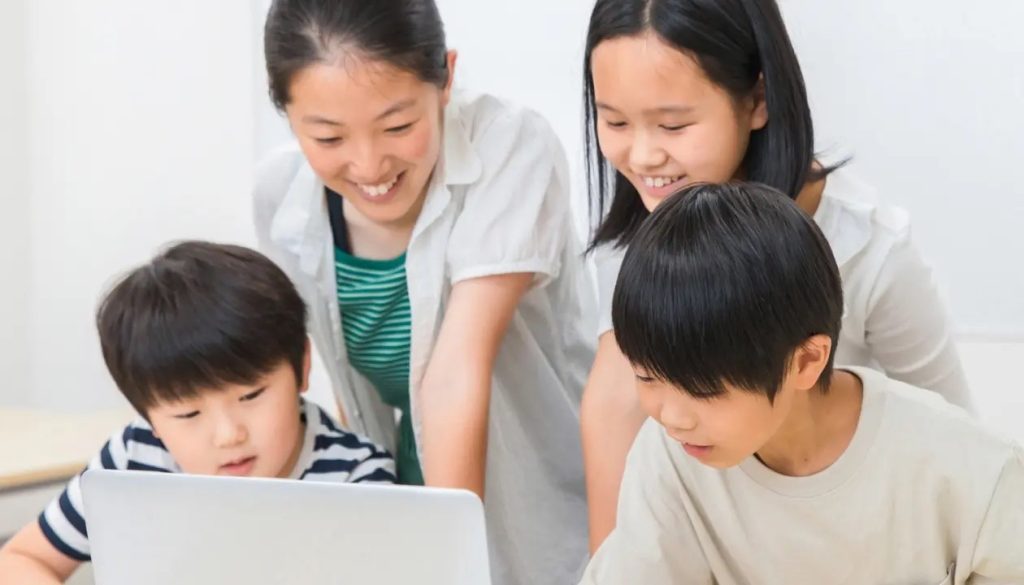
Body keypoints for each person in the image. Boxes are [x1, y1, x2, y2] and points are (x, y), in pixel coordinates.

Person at [578, 0, 973, 551]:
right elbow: (613, 413)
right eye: (616, 121)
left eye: (673, 124)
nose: (642, 156)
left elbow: (958, 442)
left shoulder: (871, 250)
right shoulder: (636, 233)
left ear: (758, 100)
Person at [254, 1, 595, 582]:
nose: (368, 165)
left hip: (539, 507)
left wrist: (449, 565)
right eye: (328, 136)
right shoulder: (281, 195)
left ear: (446, 78)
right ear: (286, 112)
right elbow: (351, 392)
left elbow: (455, 369)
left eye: (397, 127)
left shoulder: (509, 146)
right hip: (410, 500)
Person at [580, 182, 1023, 584]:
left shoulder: (968, 471)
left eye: (703, 390)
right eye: (647, 376)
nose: (673, 418)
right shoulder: (669, 458)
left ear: (807, 361)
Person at [0, 241, 395, 584]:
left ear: (302, 367)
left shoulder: (357, 481)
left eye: (251, 395)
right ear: (149, 417)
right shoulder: (134, 458)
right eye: (189, 415)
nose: (228, 434)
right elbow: (21, 559)